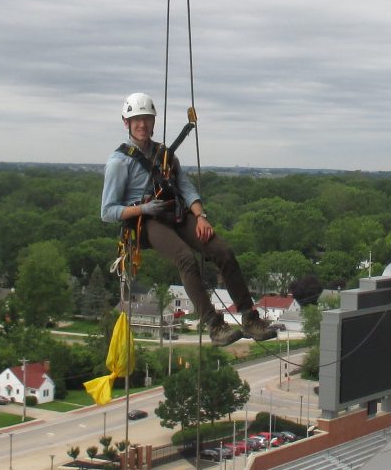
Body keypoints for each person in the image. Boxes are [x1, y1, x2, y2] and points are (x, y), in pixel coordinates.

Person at [101, 92, 277, 346]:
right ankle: (214, 325)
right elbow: (108, 211)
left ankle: (250, 318)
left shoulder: (165, 155)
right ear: (126, 123)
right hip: (147, 222)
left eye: (147, 119)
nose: (142, 125)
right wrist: (143, 210)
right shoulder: (119, 162)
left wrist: (200, 216)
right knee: (186, 259)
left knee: (223, 252)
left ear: (153, 121)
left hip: (176, 213)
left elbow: (185, 188)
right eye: (136, 119)